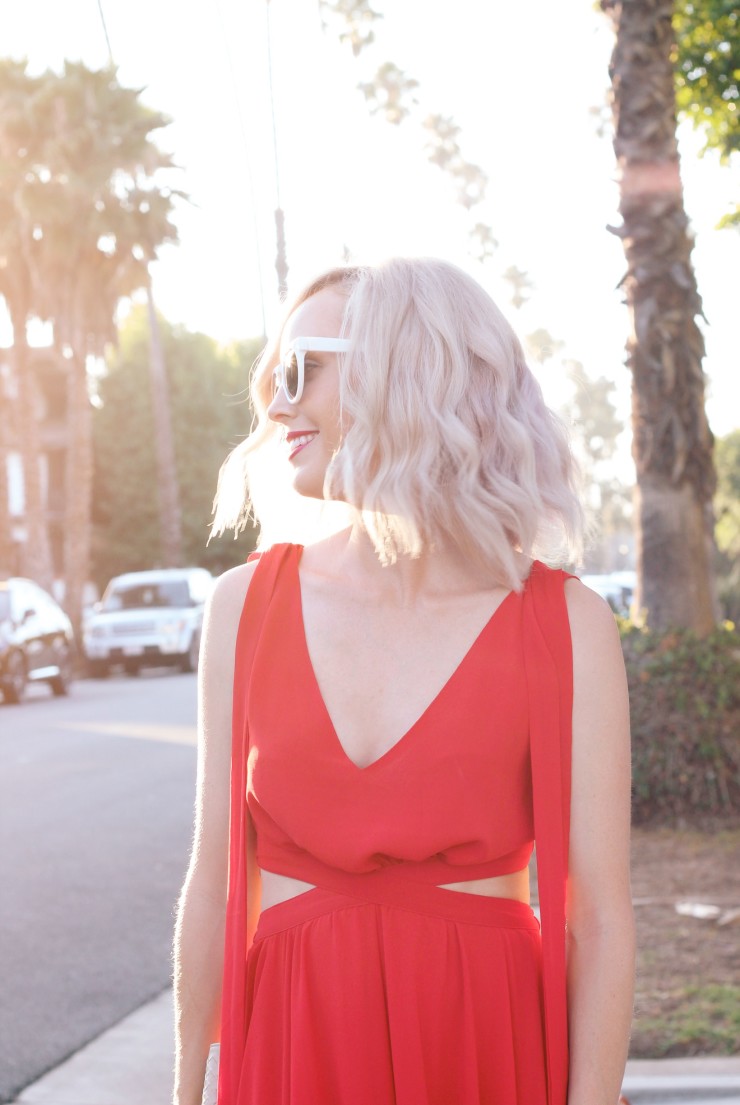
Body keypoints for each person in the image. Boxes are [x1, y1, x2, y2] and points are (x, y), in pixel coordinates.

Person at [173, 258, 635, 1105]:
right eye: (270, 378)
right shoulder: (244, 606)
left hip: (486, 1050)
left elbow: (598, 917)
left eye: (299, 370)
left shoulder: (565, 624)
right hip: (292, 1047)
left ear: (403, 368)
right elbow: (214, 879)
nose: (276, 404)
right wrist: (184, 1093)